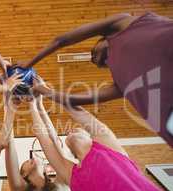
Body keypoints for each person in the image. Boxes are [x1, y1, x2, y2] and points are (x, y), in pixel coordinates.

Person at [23, 12, 173, 147]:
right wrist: (42, 89)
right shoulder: (120, 83)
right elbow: (72, 100)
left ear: (103, 39)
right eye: (100, 64)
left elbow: (62, 40)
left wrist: (29, 63)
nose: (93, 60)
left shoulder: (123, 24)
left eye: (92, 53)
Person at [28, 83, 173, 191]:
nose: (69, 131)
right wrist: (33, 104)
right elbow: (45, 138)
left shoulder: (110, 148)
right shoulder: (71, 175)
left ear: (90, 136)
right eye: (69, 135)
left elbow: (79, 113)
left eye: (75, 129)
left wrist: (46, 91)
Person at [3, 92, 71, 191]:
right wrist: (8, 108)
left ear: (45, 168)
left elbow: (55, 141)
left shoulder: (60, 184)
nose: (31, 159)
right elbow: (9, 144)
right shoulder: (19, 190)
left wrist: (39, 106)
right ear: (23, 175)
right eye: (26, 162)